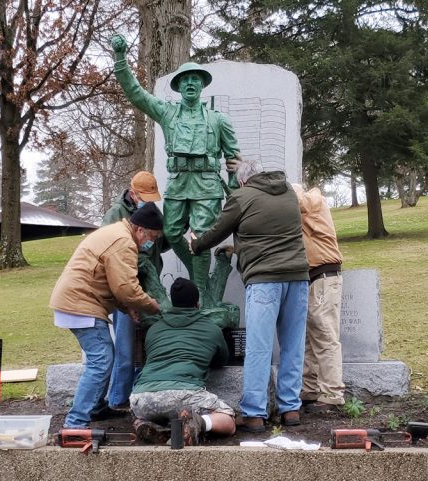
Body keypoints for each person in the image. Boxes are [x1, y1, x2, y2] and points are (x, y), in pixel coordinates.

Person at [110, 33, 242, 302]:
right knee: (170, 232)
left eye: (196, 79)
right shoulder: (167, 112)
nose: (191, 83)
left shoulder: (218, 120)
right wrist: (120, 58)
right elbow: (136, 94)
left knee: (201, 238)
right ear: (179, 86)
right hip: (179, 182)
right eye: (186, 79)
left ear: (202, 85)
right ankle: (199, 277)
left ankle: (201, 290)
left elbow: (233, 155)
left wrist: (232, 175)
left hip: (206, 183)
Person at [190, 159, 309, 432]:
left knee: (258, 346)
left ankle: (255, 413)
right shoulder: (289, 191)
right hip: (298, 277)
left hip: (265, 279)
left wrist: (196, 244)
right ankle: (290, 409)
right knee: (293, 345)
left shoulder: (241, 197)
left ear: (243, 181)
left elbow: (217, 231)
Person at [50, 203, 163, 428]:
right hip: (81, 303)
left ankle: (96, 408)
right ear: (140, 230)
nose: (150, 242)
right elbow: (125, 287)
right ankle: (76, 423)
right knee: (101, 361)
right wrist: (152, 306)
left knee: (104, 357)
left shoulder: (117, 233)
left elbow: (112, 283)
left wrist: (125, 307)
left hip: (78, 301)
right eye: (151, 236)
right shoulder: (123, 242)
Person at [130, 277, 236, 446]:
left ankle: (145, 424)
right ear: (197, 302)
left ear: (172, 302)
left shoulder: (154, 329)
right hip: (184, 393)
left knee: (154, 412)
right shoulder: (212, 329)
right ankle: (197, 423)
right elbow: (221, 360)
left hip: (142, 397)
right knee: (228, 419)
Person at [102, 171, 166, 411]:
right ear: (133, 192)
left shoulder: (151, 213)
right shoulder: (116, 215)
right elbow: (111, 255)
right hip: (127, 290)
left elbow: (161, 242)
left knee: (146, 344)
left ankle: (135, 394)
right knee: (126, 346)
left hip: (148, 285)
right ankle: (118, 399)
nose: (149, 200)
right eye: (145, 196)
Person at [292, 184, 345, 412]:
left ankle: (332, 395)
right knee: (309, 338)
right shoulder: (305, 209)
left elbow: (295, 201)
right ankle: (311, 389)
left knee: (324, 335)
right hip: (313, 277)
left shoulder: (312, 200)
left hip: (324, 275)